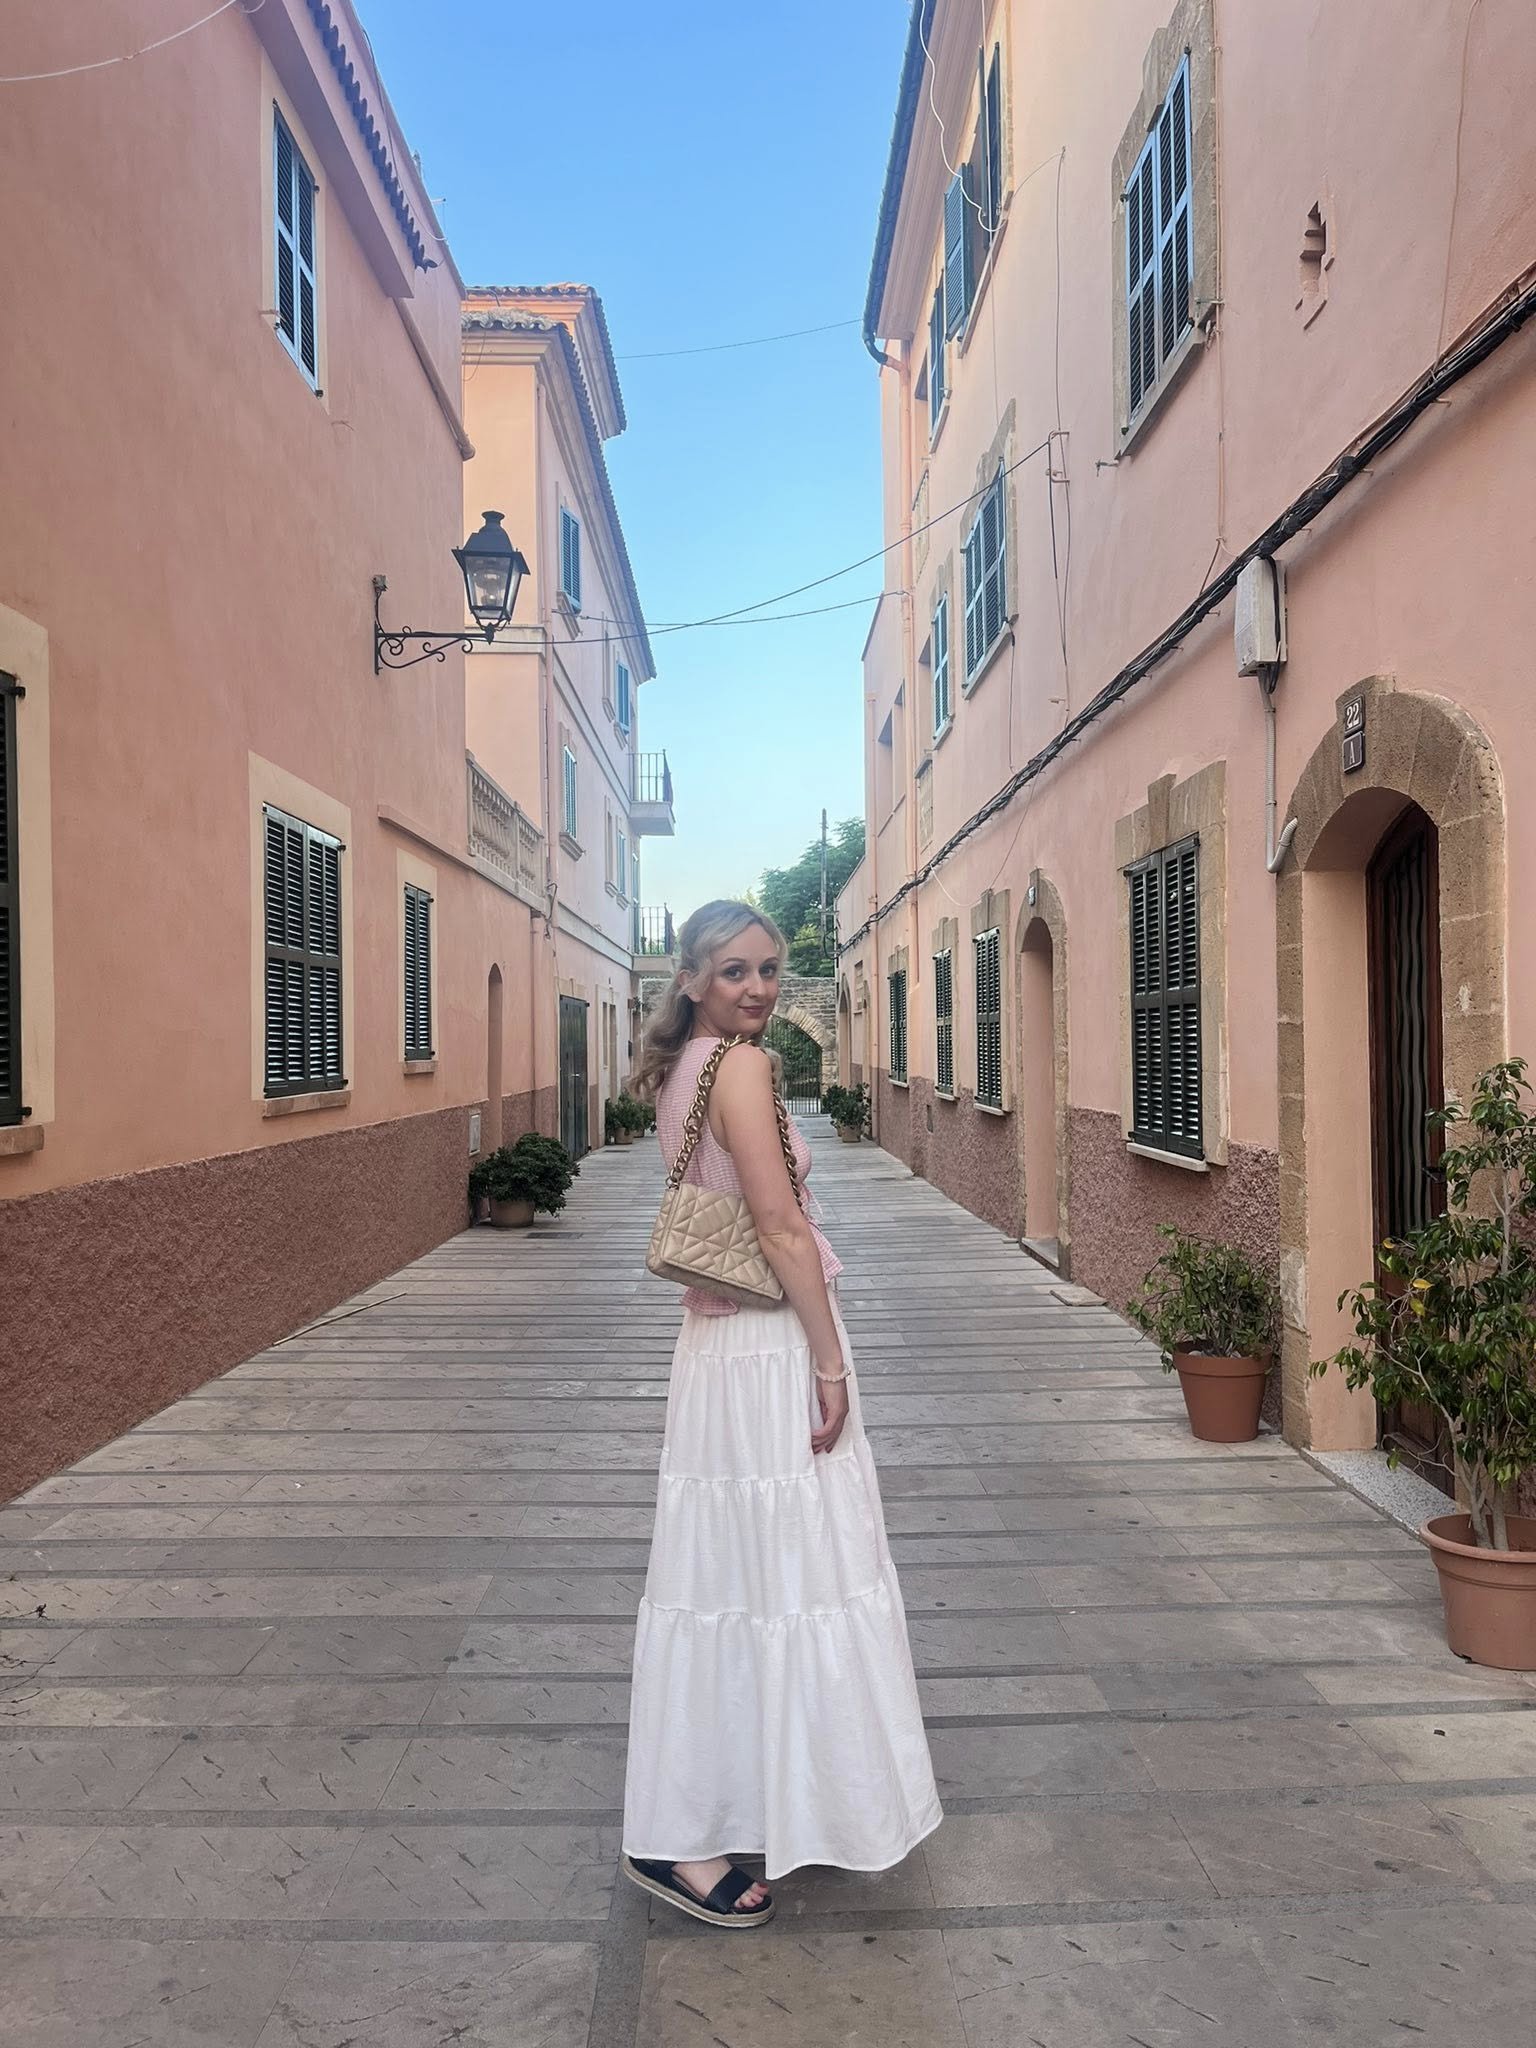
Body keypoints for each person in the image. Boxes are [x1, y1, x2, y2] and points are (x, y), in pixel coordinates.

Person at [619, 899, 942, 1928]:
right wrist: (832, 1360)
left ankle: (713, 1812)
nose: (758, 985)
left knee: (729, 1575)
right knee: (797, 1567)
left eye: (770, 967)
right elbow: (780, 1226)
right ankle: (693, 1834)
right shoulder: (744, 1067)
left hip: (718, 1351)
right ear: (692, 978)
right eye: (734, 969)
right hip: (766, 1344)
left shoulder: (686, 1068)